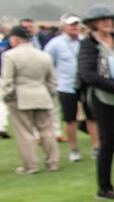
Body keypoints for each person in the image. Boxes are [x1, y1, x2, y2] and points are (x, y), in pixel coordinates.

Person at [78, 3, 114, 199]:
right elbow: (88, 74)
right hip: (104, 99)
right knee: (108, 143)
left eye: (109, 19)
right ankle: (105, 187)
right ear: (93, 24)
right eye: (102, 20)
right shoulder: (89, 44)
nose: (107, 23)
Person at [2, 25, 59, 174]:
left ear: (15, 39)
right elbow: (52, 80)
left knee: (24, 133)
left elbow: (8, 81)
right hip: (42, 95)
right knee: (47, 131)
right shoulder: (43, 55)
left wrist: (6, 97)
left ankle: (31, 166)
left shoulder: (9, 55)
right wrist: (50, 95)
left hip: (20, 97)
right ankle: (52, 162)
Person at [45, 15, 86, 162]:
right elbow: (48, 63)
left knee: (93, 116)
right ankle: (74, 149)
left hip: (85, 83)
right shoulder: (55, 44)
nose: (75, 27)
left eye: (77, 24)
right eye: (71, 25)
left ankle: (97, 146)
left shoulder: (84, 41)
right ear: (64, 27)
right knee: (70, 119)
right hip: (66, 85)